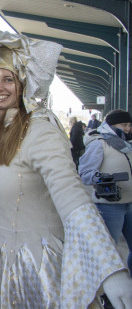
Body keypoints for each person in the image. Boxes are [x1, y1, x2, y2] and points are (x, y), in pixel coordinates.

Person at [0, 28, 132, 308]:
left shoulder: (40, 131)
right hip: (0, 263)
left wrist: (109, 266)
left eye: (8, 79)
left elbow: (71, 195)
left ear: (24, 83)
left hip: (34, 269)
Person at [79, 109, 132, 278]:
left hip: (130, 204)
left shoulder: (128, 145)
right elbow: (85, 173)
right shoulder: (99, 143)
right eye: (123, 125)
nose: (127, 129)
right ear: (111, 125)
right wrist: (102, 178)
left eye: (129, 125)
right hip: (109, 206)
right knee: (109, 251)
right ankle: (105, 292)